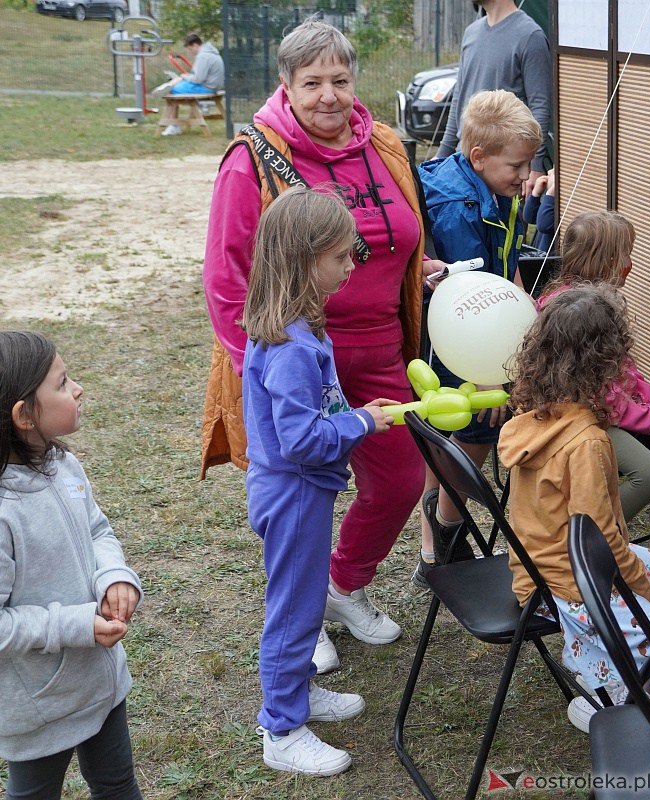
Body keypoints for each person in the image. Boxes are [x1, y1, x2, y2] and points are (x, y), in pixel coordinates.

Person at [203, 19, 432, 674]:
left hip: (383, 349)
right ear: (286, 84)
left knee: (398, 480)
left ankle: (340, 587)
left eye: (340, 79)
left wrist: (424, 270)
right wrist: (264, 374)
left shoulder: (382, 142)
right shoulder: (252, 158)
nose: (329, 95)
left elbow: (400, 232)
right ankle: (299, 618)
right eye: (312, 83)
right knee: (303, 499)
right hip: (301, 359)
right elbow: (225, 280)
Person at [242, 187, 397, 777]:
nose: (351, 265)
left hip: (301, 489)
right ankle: (281, 728)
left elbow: (310, 419)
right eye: (340, 256)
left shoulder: (299, 329)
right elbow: (301, 440)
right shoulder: (290, 346)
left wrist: (358, 412)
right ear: (308, 260)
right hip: (295, 493)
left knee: (303, 603)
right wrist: (361, 420)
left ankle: (298, 694)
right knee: (295, 611)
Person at [498, 284, 650, 733]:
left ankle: (623, 685)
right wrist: (641, 591)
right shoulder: (587, 442)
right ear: (609, 361)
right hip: (570, 587)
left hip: (535, 569)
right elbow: (602, 544)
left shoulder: (534, 415)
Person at [0, 331, 144, 799]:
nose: (78, 389)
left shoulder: (61, 466)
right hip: (37, 702)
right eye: (64, 383)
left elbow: (96, 531)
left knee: (117, 785)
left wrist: (114, 577)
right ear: (24, 416)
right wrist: (76, 625)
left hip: (98, 680)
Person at [414, 89, 542, 587]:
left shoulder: (490, 186)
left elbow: (500, 270)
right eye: (517, 165)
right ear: (479, 157)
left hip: (464, 324)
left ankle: (435, 539)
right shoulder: (459, 206)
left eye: (529, 164)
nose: (525, 176)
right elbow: (469, 296)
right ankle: (443, 533)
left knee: (447, 432)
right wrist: (488, 373)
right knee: (474, 429)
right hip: (457, 337)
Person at [539, 210, 650, 521]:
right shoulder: (576, 311)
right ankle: (590, 540)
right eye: (626, 252)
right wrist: (645, 417)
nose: (631, 261)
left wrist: (647, 404)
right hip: (578, 419)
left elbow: (618, 372)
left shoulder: (598, 301)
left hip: (608, 410)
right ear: (605, 260)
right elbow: (592, 390)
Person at [434, 0, 553, 193]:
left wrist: (535, 166)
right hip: (464, 167)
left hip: (501, 173)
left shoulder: (530, 35)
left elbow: (540, 105)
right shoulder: (471, 33)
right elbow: (459, 99)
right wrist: (441, 156)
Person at [159, 33, 225, 137]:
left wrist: (184, 77)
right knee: (179, 83)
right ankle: (174, 124)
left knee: (172, 91)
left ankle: (174, 125)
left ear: (194, 45)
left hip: (206, 88)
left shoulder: (203, 56)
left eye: (190, 49)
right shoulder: (212, 53)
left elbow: (198, 79)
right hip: (213, 86)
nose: (191, 52)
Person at [521, 166, 557, 253]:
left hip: (549, 261)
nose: (549, 171)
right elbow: (529, 217)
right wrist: (535, 194)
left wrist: (550, 194)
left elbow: (544, 225)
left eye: (554, 171)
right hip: (541, 254)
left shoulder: (552, 200)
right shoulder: (550, 200)